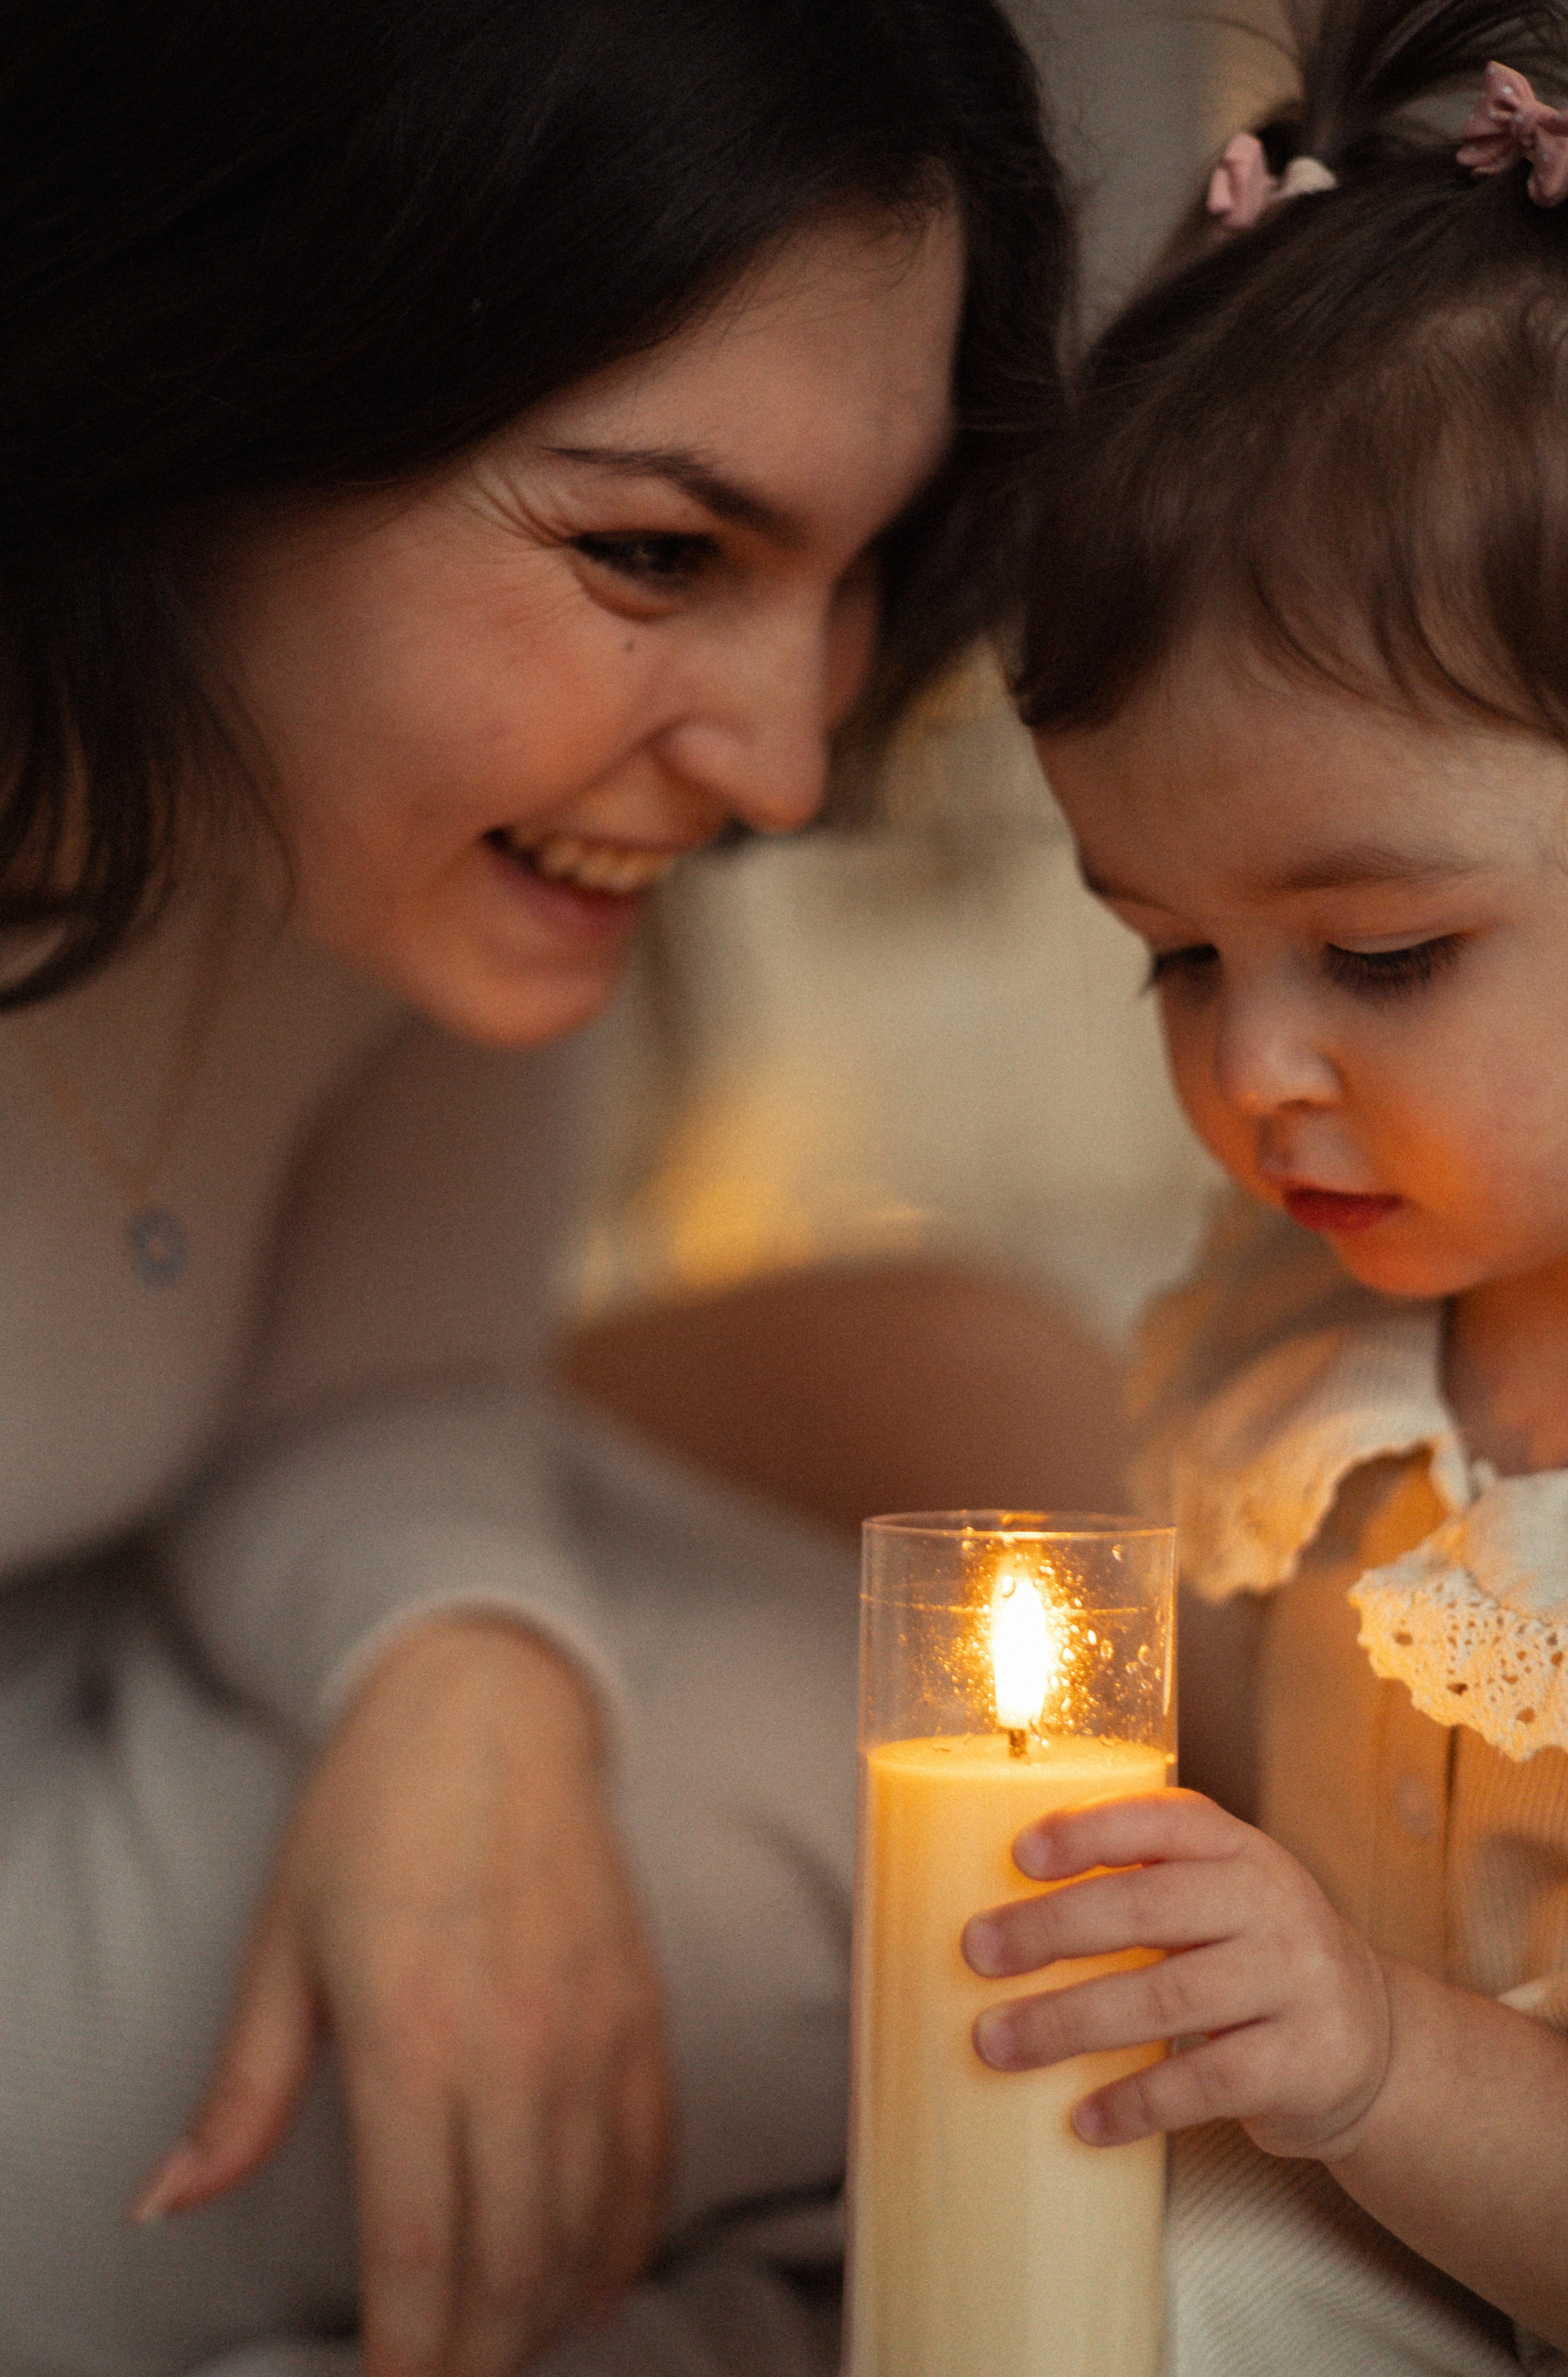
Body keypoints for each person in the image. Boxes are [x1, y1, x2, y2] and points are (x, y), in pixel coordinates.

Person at [0, 4, 1073, 2369]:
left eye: (860, 567)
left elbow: (372, 1394)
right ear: (208, 378)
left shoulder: (410, 852)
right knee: (948, 1902)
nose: (782, 767)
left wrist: (461, 1677)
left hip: (121, 1667)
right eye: (657, 551)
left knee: (1018, 1598)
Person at [968, 1, 1568, 2369]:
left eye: (1385, 955)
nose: (1249, 1073)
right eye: (1172, 956)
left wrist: (1376, 2056)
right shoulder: (1301, 1343)